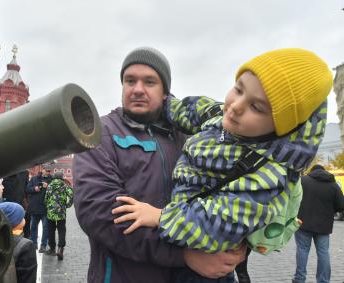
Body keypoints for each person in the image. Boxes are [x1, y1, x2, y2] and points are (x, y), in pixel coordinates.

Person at [111, 48, 332, 282]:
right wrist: (160, 100)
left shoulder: (270, 173)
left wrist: (159, 217)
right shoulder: (222, 116)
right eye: (238, 89)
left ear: (280, 127)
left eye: (256, 107)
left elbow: (220, 222)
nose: (236, 105)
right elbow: (189, 110)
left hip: (203, 267)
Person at [73, 47, 246, 283]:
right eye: (129, 80)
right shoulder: (100, 134)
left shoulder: (191, 136)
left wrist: (239, 245)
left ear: (165, 91)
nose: (137, 89)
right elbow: (101, 213)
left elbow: (231, 195)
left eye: (150, 82)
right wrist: (184, 255)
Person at [292, 165, 344, 283]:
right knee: (323, 253)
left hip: (303, 223)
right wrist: (330, 210)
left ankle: (300, 278)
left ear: (312, 171)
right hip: (324, 226)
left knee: (302, 251)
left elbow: (293, 199)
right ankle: (323, 280)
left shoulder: (303, 181)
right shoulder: (333, 185)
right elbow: (341, 205)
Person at [0, 202, 37, 283]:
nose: (24, 218)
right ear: (16, 222)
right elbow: (28, 277)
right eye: (22, 217)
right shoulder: (26, 245)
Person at [44, 170, 74, 260]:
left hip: (51, 212)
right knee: (61, 230)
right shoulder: (64, 185)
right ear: (61, 177)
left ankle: (52, 248)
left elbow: (46, 198)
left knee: (51, 230)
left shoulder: (50, 186)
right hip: (61, 212)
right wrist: (68, 205)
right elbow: (72, 195)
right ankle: (60, 249)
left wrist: (47, 206)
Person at [26, 168, 52, 253]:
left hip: (45, 208)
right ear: (42, 170)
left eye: (49, 171)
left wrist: (48, 186)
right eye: (46, 170)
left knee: (45, 228)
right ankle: (34, 243)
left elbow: (55, 192)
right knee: (33, 226)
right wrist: (35, 188)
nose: (48, 172)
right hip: (35, 207)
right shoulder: (34, 178)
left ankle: (43, 245)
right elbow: (27, 189)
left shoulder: (51, 180)